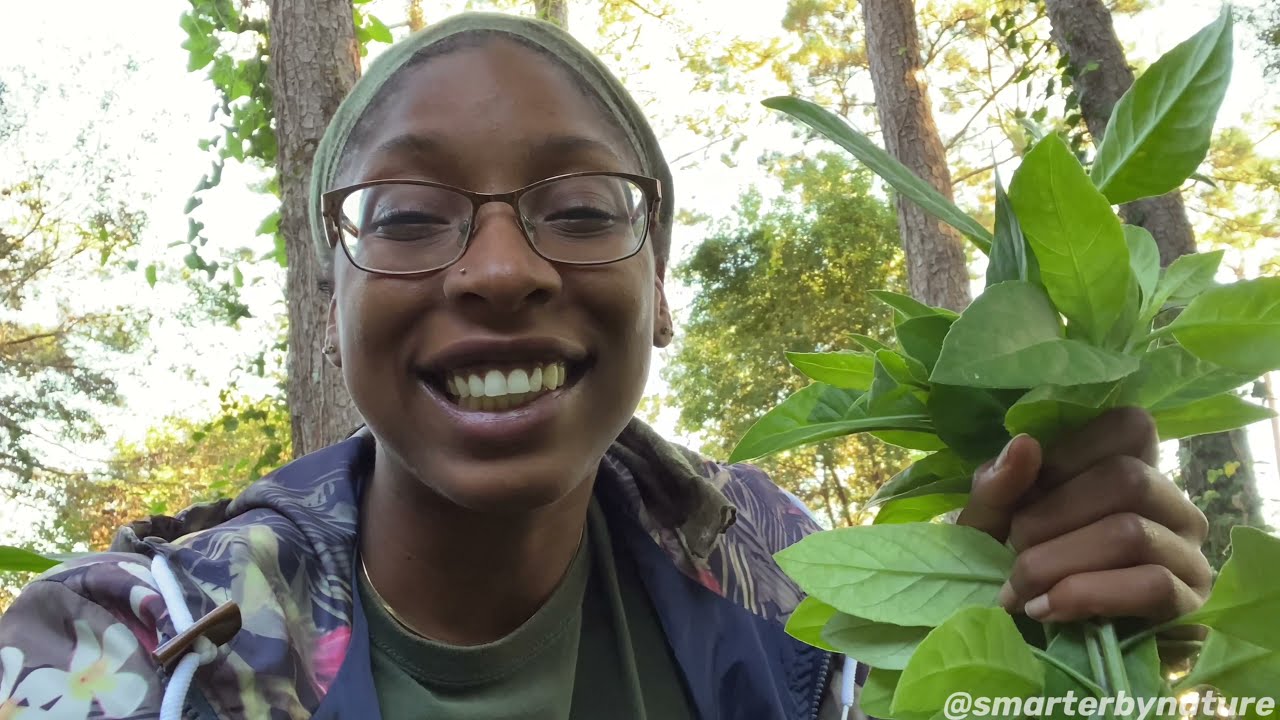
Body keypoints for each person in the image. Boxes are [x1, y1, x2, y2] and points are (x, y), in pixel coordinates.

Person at [0, 12, 1210, 720]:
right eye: (408, 216)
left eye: (579, 209)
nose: (497, 271)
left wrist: (1026, 656)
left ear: (660, 285)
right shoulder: (125, 649)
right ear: (330, 309)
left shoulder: (786, 588)